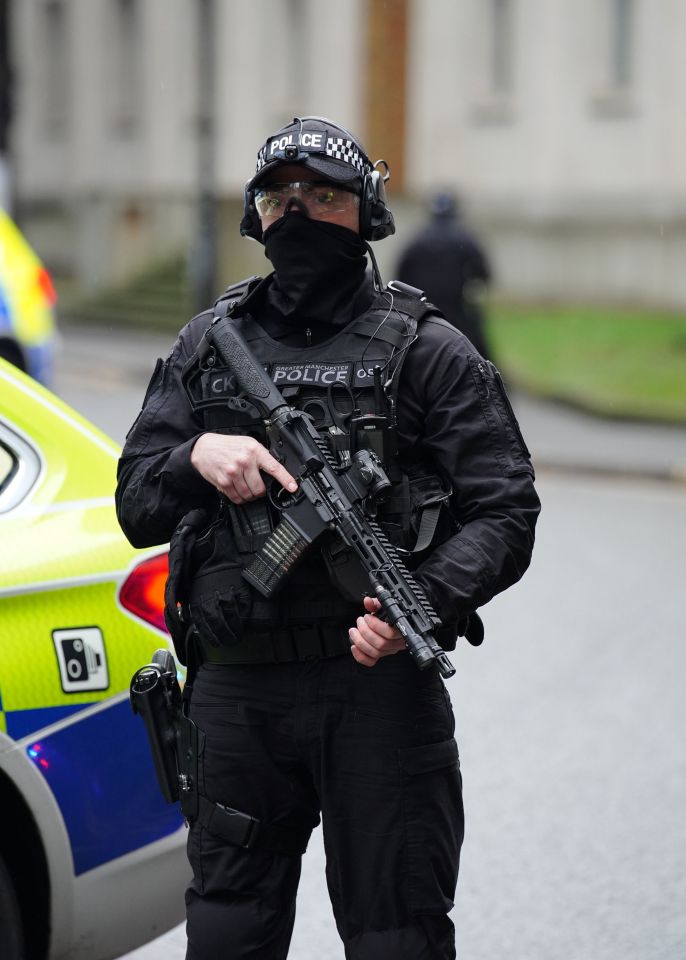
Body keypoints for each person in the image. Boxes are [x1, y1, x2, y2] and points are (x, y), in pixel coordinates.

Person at [115, 116, 540, 960]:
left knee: (396, 936)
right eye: (282, 198)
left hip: (374, 688)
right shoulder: (207, 346)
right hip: (237, 690)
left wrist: (421, 601)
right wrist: (197, 454)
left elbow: (506, 509)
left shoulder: (429, 351)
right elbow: (136, 501)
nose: (301, 214)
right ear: (256, 216)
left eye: (325, 197)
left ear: (367, 213)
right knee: (230, 930)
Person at [396, 190, 493, 360]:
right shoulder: (464, 237)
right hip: (457, 309)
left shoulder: (418, 239)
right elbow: (483, 273)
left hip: (423, 310)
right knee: (475, 353)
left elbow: (400, 275)